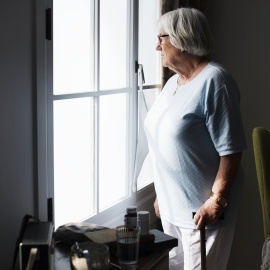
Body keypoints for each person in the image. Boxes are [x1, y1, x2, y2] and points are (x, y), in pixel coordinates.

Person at [144, 7, 247, 270]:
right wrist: (161, 194)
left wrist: (217, 200)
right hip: (170, 210)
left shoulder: (216, 80)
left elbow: (231, 150)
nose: (157, 47)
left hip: (201, 215)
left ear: (182, 38)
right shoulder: (173, 84)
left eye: (161, 38)